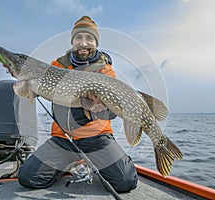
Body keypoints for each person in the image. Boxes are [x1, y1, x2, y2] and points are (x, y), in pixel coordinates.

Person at [18, 16, 138, 193]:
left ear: (96, 43)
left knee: (125, 181)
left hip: (97, 139)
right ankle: (69, 163)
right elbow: (34, 90)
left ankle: (105, 159)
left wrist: (100, 108)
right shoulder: (57, 66)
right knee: (28, 177)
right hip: (63, 139)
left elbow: (114, 112)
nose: (83, 43)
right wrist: (21, 76)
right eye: (78, 38)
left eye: (89, 38)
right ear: (72, 41)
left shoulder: (105, 71)